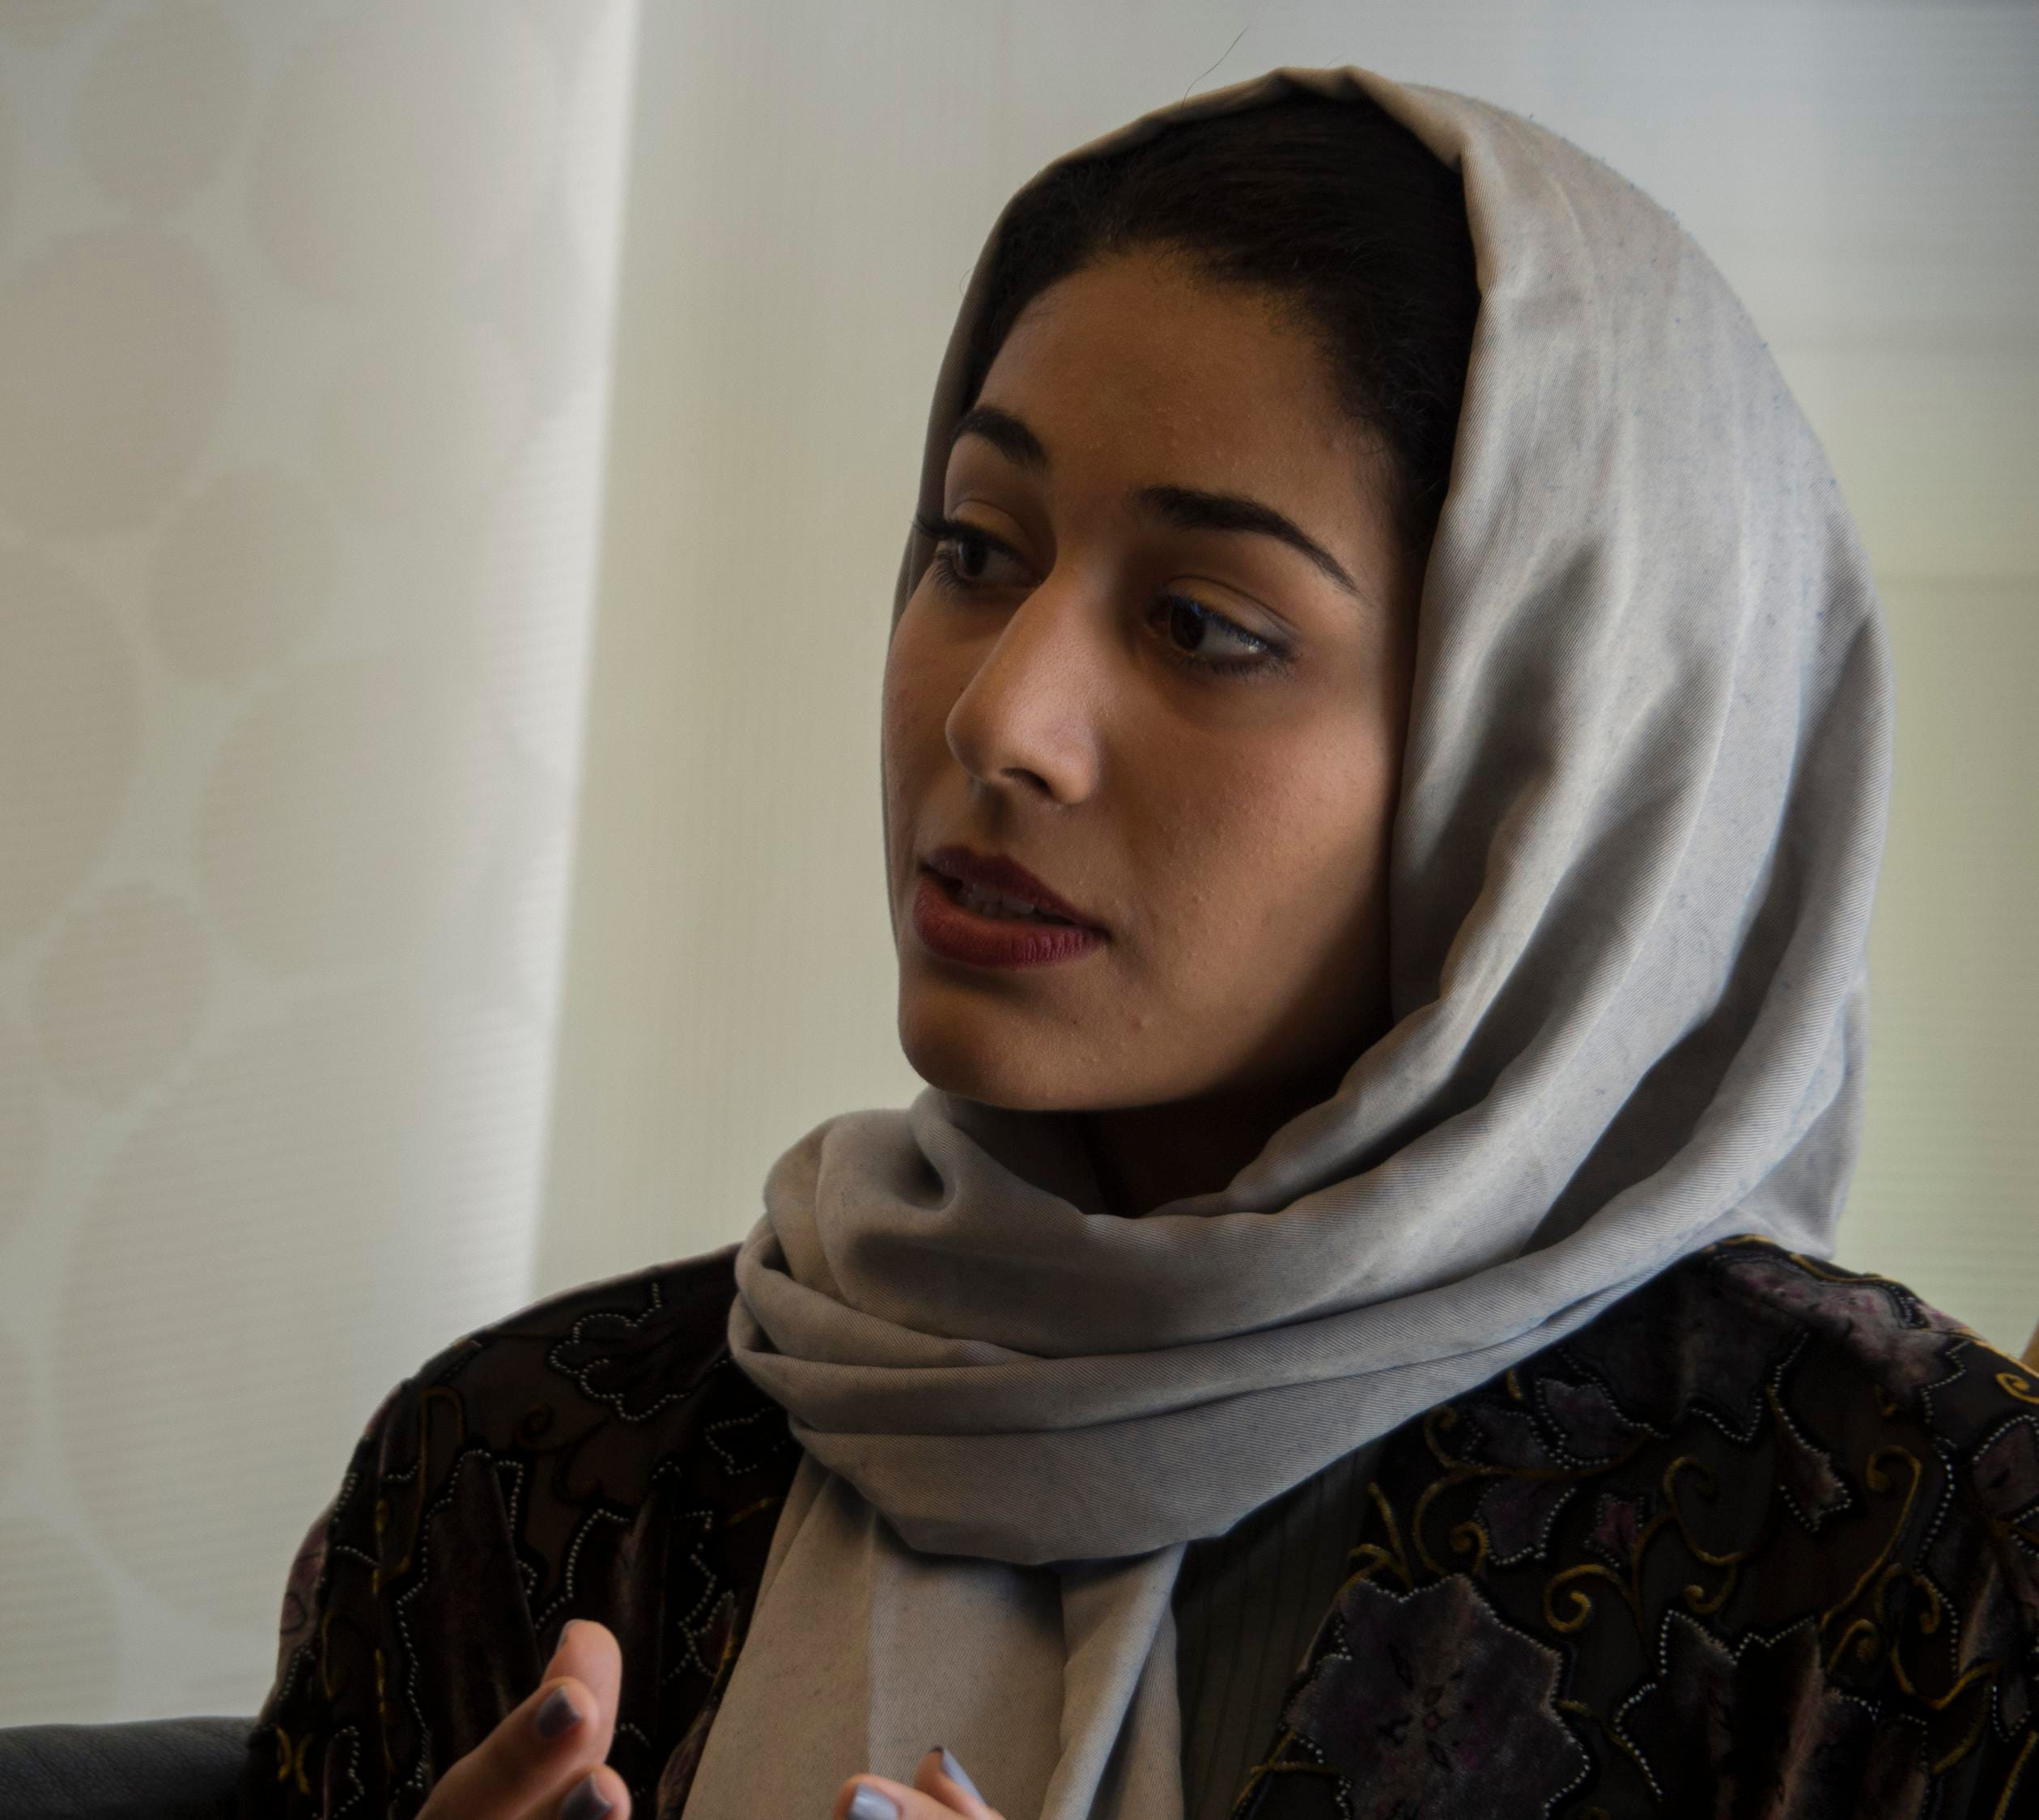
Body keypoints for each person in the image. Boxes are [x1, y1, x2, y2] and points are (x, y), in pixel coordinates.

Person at [233, 66, 2039, 1820]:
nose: (1000, 719)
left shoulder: (1911, 1551)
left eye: (1202, 624)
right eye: (975, 548)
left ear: (1549, 767)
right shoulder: (523, 1475)